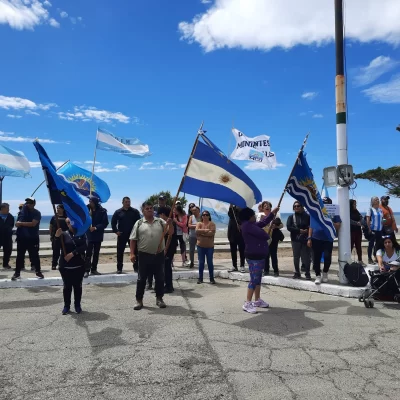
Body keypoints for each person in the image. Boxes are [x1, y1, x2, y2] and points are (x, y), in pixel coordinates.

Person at [130, 201, 173, 310]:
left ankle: (159, 299)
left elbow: (170, 232)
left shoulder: (160, 221)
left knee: (159, 278)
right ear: (143, 211)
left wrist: (170, 223)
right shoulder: (139, 223)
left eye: (151, 208)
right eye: (147, 208)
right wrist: (131, 253)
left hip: (158, 255)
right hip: (143, 255)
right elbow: (133, 239)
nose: (149, 210)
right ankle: (139, 300)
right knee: (141, 279)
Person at [239, 206, 279, 314]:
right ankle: (247, 303)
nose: (255, 217)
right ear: (249, 216)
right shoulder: (247, 226)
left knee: (258, 278)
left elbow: (263, 222)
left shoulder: (250, 225)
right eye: (253, 215)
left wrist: (272, 213)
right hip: (254, 256)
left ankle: (257, 300)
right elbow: (264, 235)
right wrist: (269, 230)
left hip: (258, 255)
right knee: (254, 279)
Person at [54, 218, 87, 315]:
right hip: (65, 266)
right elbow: (56, 248)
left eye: (72, 222)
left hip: (79, 265)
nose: (70, 224)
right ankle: (66, 306)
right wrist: (56, 237)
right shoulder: (63, 235)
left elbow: (85, 246)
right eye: (68, 223)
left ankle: (77, 305)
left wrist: (73, 253)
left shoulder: (81, 233)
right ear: (66, 224)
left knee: (78, 286)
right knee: (67, 287)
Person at [307, 197, 341, 284]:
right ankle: (318, 275)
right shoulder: (315, 212)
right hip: (316, 238)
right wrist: (309, 238)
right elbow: (311, 226)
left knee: (327, 257)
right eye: (324, 203)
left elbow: (338, 225)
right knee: (316, 259)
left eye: (327, 203)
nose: (325, 205)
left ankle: (325, 272)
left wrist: (328, 221)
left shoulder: (334, 213)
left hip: (328, 239)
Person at [12, 198, 44, 280]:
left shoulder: (37, 213)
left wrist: (21, 223)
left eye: (30, 202)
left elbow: (33, 224)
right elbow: (16, 223)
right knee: (19, 256)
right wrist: (19, 223)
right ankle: (17, 273)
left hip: (33, 238)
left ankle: (38, 271)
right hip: (21, 238)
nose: (28, 204)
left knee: (35, 256)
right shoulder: (22, 212)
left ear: (34, 204)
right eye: (27, 202)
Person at [111, 196, 141, 274]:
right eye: (126, 202)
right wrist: (116, 231)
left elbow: (139, 222)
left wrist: (138, 232)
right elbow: (113, 222)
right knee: (120, 252)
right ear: (123, 202)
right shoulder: (118, 212)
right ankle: (119, 268)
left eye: (129, 202)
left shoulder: (134, 211)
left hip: (133, 236)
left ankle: (136, 267)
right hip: (122, 235)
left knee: (135, 251)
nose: (128, 203)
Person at [84, 196, 109, 277]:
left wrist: (95, 227)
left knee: (96, 253)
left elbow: (105, 223)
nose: (89, 203)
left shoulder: (102, 211)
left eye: (91, 201)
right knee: (88, 253)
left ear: (95, 202)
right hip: (89, 235)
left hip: (98, 235)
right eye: (89, 201)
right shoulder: (86, 209)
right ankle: (86, 270)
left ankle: (94, 269)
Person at [287, 201, 311, 279]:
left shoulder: (307, 216)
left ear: (302, 207)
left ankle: (307, 273)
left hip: (305, 239)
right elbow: (289, 227)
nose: (296, 207)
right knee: (296, 257)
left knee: (306, 257)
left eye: (298, 206)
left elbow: (311, 226)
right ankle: (297, 272)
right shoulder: (291, 217)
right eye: (295, 206)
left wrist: (307, 231)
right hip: (295, 240)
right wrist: (299, 231)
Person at [158, 206, 177, 293]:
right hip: (167, 247)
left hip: (169, 247)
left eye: (159, 214)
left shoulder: (169, 222)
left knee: (166, 267)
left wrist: (165, 249)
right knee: (165, 267)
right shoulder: (165, 222)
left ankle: (169, 286)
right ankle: (167, 285)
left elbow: (169, 237)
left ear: (162, 214)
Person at [196, 210, 216, 284]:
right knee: (201, 262)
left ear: (209, 216)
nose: (205, 216)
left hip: (209, 247)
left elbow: (211, 233)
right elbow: (197, 231)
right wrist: (206, 230)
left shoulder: (212, 224)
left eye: (206, 215)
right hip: (200, 246)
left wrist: (202, 233)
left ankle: (211, 278)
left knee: (210, 262)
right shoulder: (199, 223)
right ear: (201, 216)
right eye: (203, 215)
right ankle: (200, 278)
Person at [49, 204, 68, 270]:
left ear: (63, 209)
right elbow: (51, 226)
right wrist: (51, 235)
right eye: (57, 208)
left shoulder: (66, 217)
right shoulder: (54, 217)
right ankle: (54, 264)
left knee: (65, 251)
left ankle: (64, 263)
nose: (58, 209)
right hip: (56, 237)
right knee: (55, 252)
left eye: (59, 208)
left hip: (65, 237)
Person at [227, 205, 245, 273]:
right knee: (233, 250)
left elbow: (247, 220)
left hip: (241, 233)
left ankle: (242, 265)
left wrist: (242, 226)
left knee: (242, 250)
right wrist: (230, 206)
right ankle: (234, 266)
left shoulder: (244, 209)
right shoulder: (232, 209)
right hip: (232, 233)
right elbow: (230, 215)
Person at [366, 196, 383, 264]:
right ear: (372, 201)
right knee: (371, 244)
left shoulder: (380, 209)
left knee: (378, 244)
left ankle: (376, 256)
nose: (378, 200)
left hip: (380, 229)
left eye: (378, 199)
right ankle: (369, 258)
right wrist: (369, 228)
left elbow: (382, 218)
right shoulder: (370, 209)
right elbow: (368, 219)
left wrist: (384, 221)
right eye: (376, 199)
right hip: (373, 229)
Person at [350, 199, 365, 265]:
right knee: (350, 246)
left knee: (359, 246)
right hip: (351, 231)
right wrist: (357, 223)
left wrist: (360, 222)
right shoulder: (348, 211)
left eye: (355, 204)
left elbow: (361, 217)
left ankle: (360, 260)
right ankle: (348, 260)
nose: (355, 205)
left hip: (358, 231)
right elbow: (349, 220)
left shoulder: (356, 211)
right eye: (354, 204)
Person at [0, 203, 14, 269]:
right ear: (2, 209)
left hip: (7, 237)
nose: (9, 210)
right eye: (7, 208)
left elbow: (11, 225)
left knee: (8, 250)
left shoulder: (10, 217)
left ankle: (5, 264)